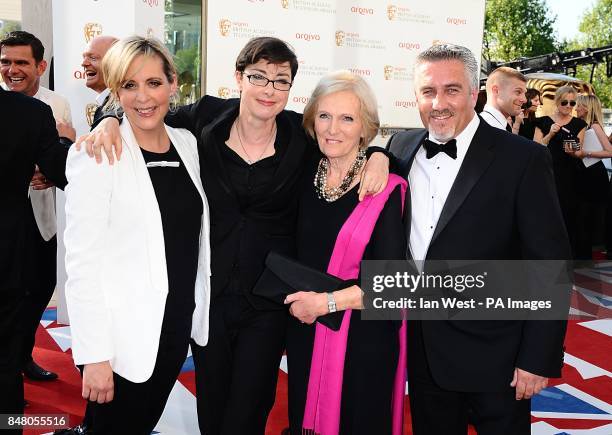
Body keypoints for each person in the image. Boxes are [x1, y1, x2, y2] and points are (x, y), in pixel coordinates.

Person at [75, 36, 389, 434]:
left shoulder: (301, 134)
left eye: (281, 80)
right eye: (258, 76)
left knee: (248, 412)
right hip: (209, 300)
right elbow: (143, 107)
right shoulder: (204, 120)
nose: (268, 89)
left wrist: (380, 154)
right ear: (239, 78)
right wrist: (106, 119)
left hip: (269, 303)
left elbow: (350, 138)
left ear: (291, 88)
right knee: (212, 408)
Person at [386, 44, 570, 435]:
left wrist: (537, 357)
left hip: (498, 356)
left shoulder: (522, 159)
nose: (438, 102)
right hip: (423, 351)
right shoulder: (400, 148)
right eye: (427, 91)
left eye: (451, 90)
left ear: (474, 93)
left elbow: (549, 262)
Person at [63, 36, 210, 435]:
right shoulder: (95, 155)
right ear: (115, 91)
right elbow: (82, 263)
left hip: (174, 327)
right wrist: (94, 356)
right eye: (129, 85)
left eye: (153, 83)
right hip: (121, 339)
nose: (143, 97)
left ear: (173, 83)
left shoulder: (188, 143)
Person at [284, 71, 406, 435]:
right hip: (306, 326)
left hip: (362, 338)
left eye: (347, 118)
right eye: (324, 116)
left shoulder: (386, 188)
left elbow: (392, 285)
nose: (333, 128)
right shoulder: (304, 173)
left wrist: (326, 304)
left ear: (365, 128)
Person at [0, 30, 73, 383]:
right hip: (11, 215)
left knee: (41, 286)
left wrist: (50, 173)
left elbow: (61, 163)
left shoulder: (56, 104)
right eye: (5, 62)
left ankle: (22, 354)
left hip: (41, 215)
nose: (12, 70)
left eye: (20, 62)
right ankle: (12, 365)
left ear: (40, 66)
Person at [534, 86, 587, 258]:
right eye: (565, 102)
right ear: (557, 101)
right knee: (547, 214)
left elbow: (579, 152)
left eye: (572, 102)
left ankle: (567, 256)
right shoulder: (542, 121)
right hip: (547, 174)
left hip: (571, 176)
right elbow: (535, 149)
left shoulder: (579, 124)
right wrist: (550, 134)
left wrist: (573, 150)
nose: (569, 106)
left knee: (568, 215)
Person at [567, 94, 612, 259]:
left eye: (578, 105)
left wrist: (586, 153)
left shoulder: (595, 126)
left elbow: (609, 151)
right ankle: (582, 251)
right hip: (582, 172)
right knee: (581, 215)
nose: (575, 108)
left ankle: (586, 252)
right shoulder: (580, 125)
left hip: (593, 174)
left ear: (587, 108)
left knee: (587, 214)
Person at [81, 35, 118, 124]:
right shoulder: (107, 107)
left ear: (115, 63)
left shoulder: (120, 112)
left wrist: (65, 137)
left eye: (93, 58)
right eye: (84, 57)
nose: (83, 63)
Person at [480, 66, 527, 133]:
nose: (524, 100)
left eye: (524, 93)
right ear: (496, 91)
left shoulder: (492, 125)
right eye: (518, 92)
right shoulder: (486, 128)